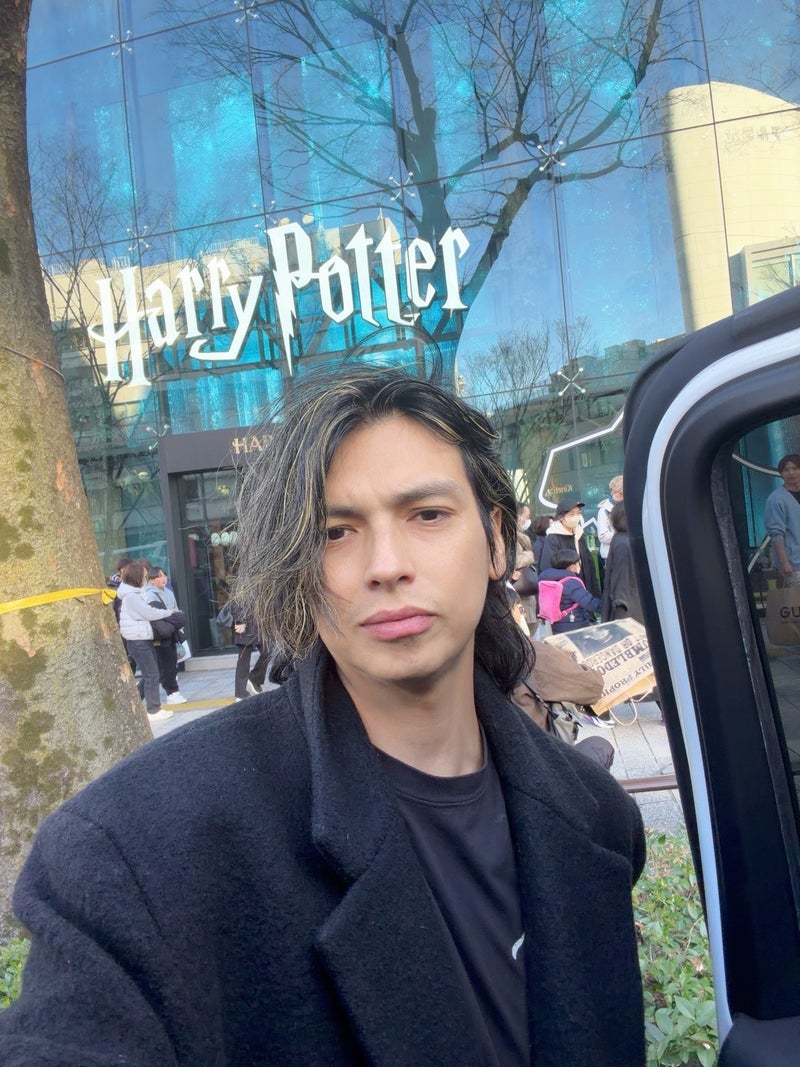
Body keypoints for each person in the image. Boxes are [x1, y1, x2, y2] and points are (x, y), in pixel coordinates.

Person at [0, 369, 646, 1066]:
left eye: (427, 514)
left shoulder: (596, 817)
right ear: (297, 570)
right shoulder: (140, 854)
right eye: (335, 531)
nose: (386, 565)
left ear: (495, 539)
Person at [115, 561, 178, 724]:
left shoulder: (134, 593)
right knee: (152, 675)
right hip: (138, 641)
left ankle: (147, 707)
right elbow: (149, 613)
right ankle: (153, 709)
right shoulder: (131, 597)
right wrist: (168, 613)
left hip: (141, 639)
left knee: (152, 674)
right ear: (137, 577)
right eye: (143, 576)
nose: (145, 579)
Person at [538, 498, 601, 597]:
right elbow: (548, 569)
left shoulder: (579, 534)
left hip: (585, 588)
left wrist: (595, 592)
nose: (576, 517)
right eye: (571, 514)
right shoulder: (553, 538)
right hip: (567, 594)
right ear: (561, 517)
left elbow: (589, 564)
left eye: (578, 513)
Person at [144, 566, 188, 706]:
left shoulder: (168, 592)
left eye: (164, 575)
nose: (163, 579)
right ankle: (172, 693)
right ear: (151, 580)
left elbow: (176, 612)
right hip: (160, 635)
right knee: (164, 665)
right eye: (159, 576)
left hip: (171, 632)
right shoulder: (149, 595)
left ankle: (172, 692)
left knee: (168, 664)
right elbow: (155, 616)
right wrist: (173, 616)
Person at [538, 548, 602, 633]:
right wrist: (608, 606)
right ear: (571, 567)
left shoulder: (547, 579)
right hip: (574, 625)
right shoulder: (571, 583)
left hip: (556, 624)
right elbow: (590, 603)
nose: (580, 565)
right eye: (578, 563)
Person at [601, 502, 643, 623]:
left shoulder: (621, 539)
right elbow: (622, 579)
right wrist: (621, 610)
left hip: (627, 606)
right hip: (628, 609)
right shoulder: (624, 543)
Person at [764, 453, 800, 585]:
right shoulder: (776, 499)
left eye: (795, 468)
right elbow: (776, 534)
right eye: (786, 469)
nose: (791, 473)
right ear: (781, 473)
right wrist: (784, 563)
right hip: (795, 565)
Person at [230, 604, 270, 700]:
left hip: (257, 625)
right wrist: (240, 621)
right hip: (244, 627)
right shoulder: (239, 592)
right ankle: (240, 694)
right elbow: (236, 602)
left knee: (268, 651)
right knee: (243, 660)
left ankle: (255, 678)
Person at [597, 475, 624, 566]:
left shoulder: (627, 505)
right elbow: (602, 536)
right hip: (611, 556)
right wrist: (621, 534)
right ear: (618, 494)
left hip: (625, 553)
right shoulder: (604, 510)